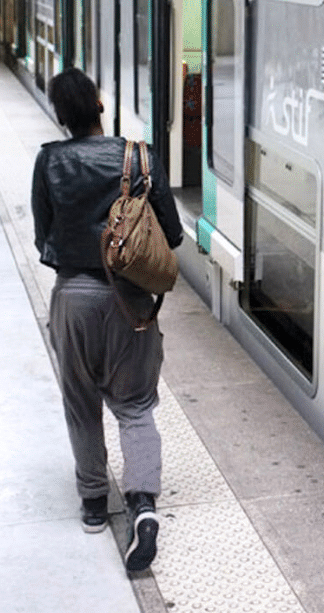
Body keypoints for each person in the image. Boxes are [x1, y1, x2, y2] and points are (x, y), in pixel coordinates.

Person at [32, 68, 183, 572]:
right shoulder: (139, 158)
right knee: (136, 405)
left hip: (73, 298)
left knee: (81, 402)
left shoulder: (49, 162)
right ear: (99, 105)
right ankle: (143, 507)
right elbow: (174, 235)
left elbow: (43, 240)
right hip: (132, 303)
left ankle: (95, 503)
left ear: (61, 115)